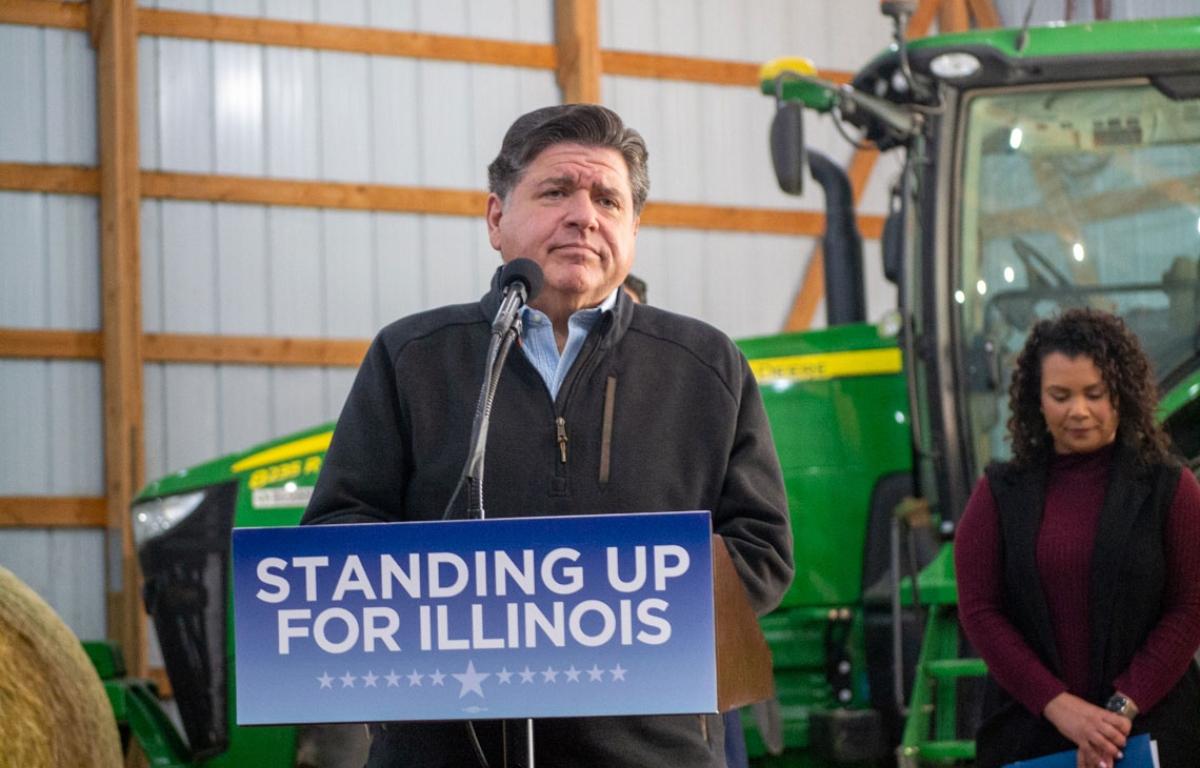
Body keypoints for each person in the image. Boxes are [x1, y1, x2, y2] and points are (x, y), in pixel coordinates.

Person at [301, 103, 793, 767]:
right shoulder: (411, 356)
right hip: (448, 751)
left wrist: (597, 602)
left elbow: (761, 550)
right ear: (496, 219)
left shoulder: (706, 366)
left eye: (608, 200)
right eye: (556, 191)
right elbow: (335, 537)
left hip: (652, 753)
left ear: (633, 229)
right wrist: (487, 605)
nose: (584, 216)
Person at [955, 308, 1200, 768]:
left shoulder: (1170, 488)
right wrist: (1061, 707)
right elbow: (981, 610)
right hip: (1032, 735)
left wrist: (1117, 713)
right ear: (1037, 399)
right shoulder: (1000, 493)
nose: (1079, 411)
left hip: (1151, 733)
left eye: (1095, 393)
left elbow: (1190, 608)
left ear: (1121, 393)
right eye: (1060, 395)